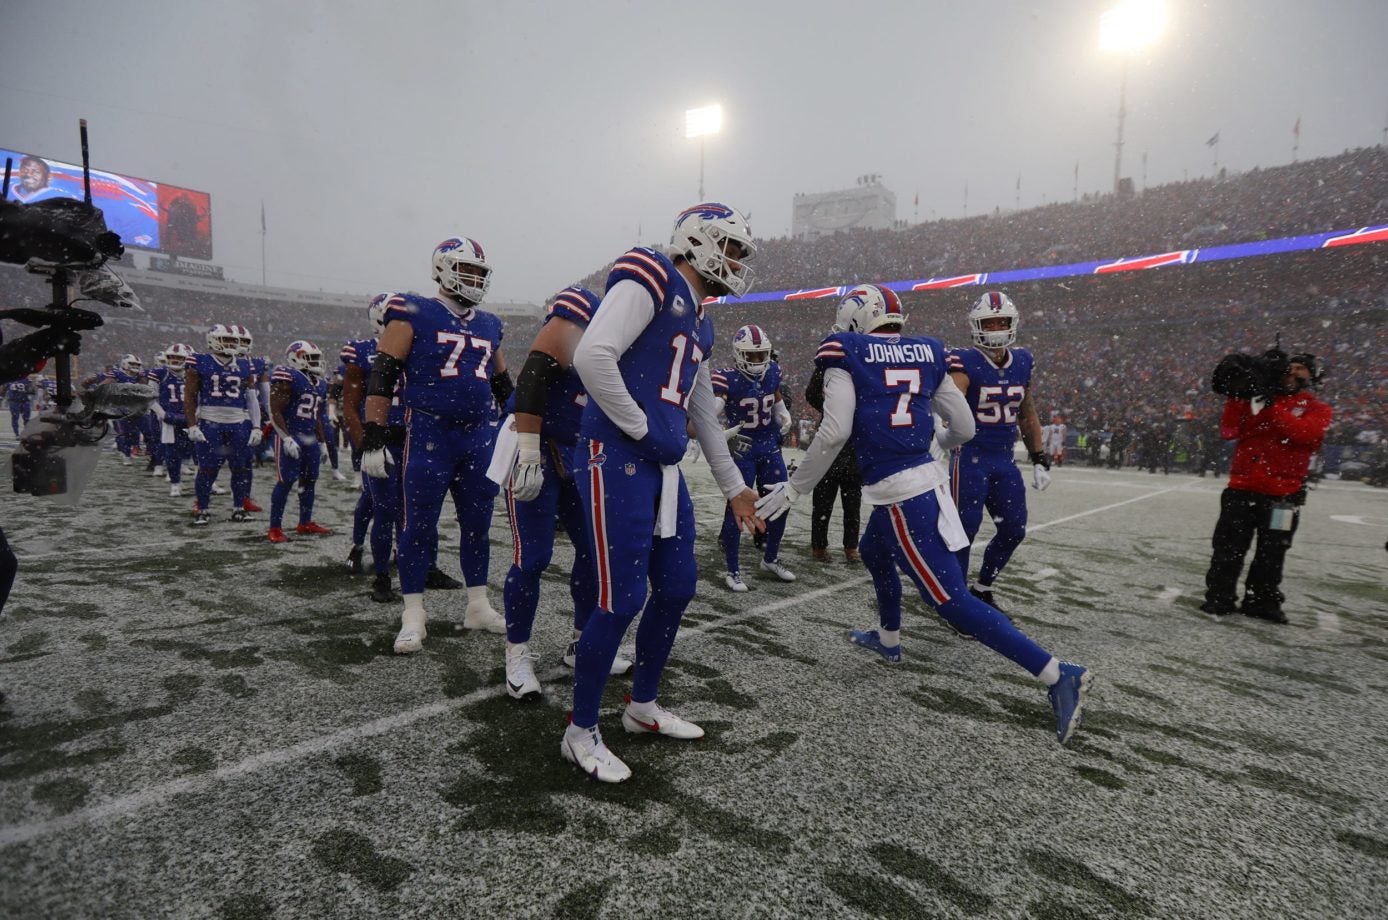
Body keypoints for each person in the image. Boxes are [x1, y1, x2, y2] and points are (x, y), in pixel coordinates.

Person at [756, 284, 1092, 745]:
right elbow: (966, 427)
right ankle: (889, 638)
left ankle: (1056, 673)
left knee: (949, 600)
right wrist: (932, 451)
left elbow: (834, 431)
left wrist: (796, 487)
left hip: (901, 492)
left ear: (853, 321)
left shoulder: (846, 349)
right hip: (923, 479)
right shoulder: (929, 351)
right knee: (875, 552)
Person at [560, 203, 762, 783]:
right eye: (729, 247)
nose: (735, 262)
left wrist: (735, 488)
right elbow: (592, 355)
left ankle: (641, 707)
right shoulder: (651, 271)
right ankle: (580, 731)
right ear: (697, 241)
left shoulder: (701, 319)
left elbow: (699, 409)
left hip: (660, 466)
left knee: (676, 587)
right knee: (619, 599)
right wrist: (644, 429)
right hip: (616, 456)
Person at [362, 238, 509, 653]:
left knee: (478, 524)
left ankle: (477, 605)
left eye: (480, 273)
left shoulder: (489, 323)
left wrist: (521, 428)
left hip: (478, 433)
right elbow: (383, 375)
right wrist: (374, 435)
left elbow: (501, 383)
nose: (475, 279)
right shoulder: (414, 310)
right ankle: (413, 614)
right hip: (429, 432)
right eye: (468, 270)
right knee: (418, 524)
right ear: (443, 269)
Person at [488, 286, 633, 701]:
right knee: (533, 557)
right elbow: (533, 373)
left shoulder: (633, 333)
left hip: (579, 450)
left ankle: (579, 643)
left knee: (592, 552)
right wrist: (531, 452)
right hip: (535, 439)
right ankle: (516, 653)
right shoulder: (582, 311)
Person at [1201, 354, 1333, 623]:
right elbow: (1229, 430)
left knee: (1273, 552)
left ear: (1311, 377)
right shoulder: (1253, 399)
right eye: (1290, 367)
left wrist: (1272, 408)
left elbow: (1306, 436)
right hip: (1242, 487)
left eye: (1301, 368)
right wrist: (1242, 395)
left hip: (1284, 494)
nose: (1293, 372)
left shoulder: (1317, 408)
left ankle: (1262, 600)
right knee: (1228, 548)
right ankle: (1220, 596)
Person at [945, 291, 1051, 611]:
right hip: (970, 456)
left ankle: (982, 587)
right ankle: (956, 598)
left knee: (1014, 528)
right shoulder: (963, 362)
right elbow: (947, 409)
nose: (994, 328)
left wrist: (1039, 456)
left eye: (1000, 322)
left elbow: (1027, 411)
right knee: (964, 529)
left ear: (1011, 323)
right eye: (988, 323)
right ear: (976, 325)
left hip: (1004, 458)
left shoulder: (1022, 360)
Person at [713, 323, 796, 590]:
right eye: (752, 355)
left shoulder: (772, 371)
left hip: (769, 446)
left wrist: (784, 414)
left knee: (781, 500)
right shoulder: (727, 378)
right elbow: (712, 409)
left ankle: (770, 558)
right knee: (738, 508)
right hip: (743, 449)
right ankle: (732, 569)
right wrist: (714, 427)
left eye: (762, 355)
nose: (759, 361)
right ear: (739, 354)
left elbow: (776, 397)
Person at [185, 323, 262, 525]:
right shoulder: (200, 361)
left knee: (240, 468)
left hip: (238, 422)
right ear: (212, 340)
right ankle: (202, 509)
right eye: (225, 339)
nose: (230, 343)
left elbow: (252, 398)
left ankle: (238, 509)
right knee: (208, 468)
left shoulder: (245, 364)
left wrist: (256, 426)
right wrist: (192, 424)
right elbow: (190, 396)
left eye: (233, 340)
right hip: (210, 421)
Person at [266, 341, 333, 543]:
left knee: (309, 480)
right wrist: (286, 438)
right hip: (291, 434)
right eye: (311, 358)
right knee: (285, 481)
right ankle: (275, 527)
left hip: (310, 437)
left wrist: (322, 442)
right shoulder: (288, 375)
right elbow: (274, 410)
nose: (316, 362)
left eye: (317, 358)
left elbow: (318, 416)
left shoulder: (320, 383)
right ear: (296, 357)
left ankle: (305, 522)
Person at [805, 366, 863, 564]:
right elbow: (811, 393)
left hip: (853, 444)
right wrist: (833, 407)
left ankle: (850, 547)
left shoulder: (858, 363)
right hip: (831, 442)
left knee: (852, 503)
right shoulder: (830, 364)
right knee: (823, 502)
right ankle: (819, 547)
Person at [150, 343, 195, 497]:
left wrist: (198, 414)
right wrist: (162, 414)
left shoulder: (194, 373)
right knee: (171, 453)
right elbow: (149, 398)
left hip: (191, 417)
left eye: (178, 357)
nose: (175, 360)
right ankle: (175, 483)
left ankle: (209, 482)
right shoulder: (160, 373)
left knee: (199, 451)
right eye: (172, 357)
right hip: (170, 417)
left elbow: (202, 397)